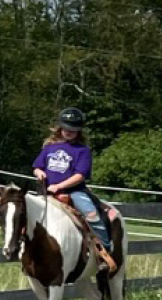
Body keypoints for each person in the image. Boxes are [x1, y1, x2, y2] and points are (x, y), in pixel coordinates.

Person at [33, 107, 114, 253]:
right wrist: (39, 173)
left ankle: (104, 249)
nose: (68, 131)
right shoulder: (49, 148)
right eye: (65, 128)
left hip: (74, 191)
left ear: (79, 131)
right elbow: (37, 166)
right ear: (60, 127)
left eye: (73, 129)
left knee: (92, 215)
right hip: (47, 190)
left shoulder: (82, 151)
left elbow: (80, 176)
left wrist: (59, 186)